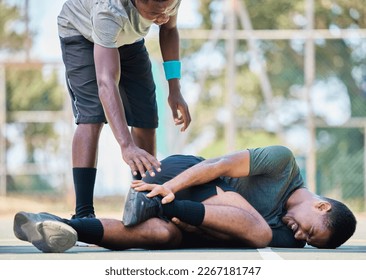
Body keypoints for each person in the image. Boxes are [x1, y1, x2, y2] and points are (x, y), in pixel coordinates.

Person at [13, 145, 357, 252]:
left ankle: (57, 226)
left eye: (307, 242)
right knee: (259, 232)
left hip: (191, 215)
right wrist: (171, 189)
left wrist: (188, 223)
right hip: (179, 177)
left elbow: (229, 240)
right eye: (310, 232)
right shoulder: (282, 163)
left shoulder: (290, 236)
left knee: (162, 236)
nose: (300, 237)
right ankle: (161, 203)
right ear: (321, 206)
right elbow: (216, 165)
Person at [57, 0, 191, 218]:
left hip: (127, 37)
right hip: (81, 31)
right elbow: (106, 82)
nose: (164, 17)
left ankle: (145, 205)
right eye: (156, 13)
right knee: (92, 117)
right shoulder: (109, 10)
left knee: (146, 117)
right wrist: (126, 145)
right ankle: (83, 213)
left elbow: (170, 29)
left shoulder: (168, 1)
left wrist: (175, 89)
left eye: (168, 10)